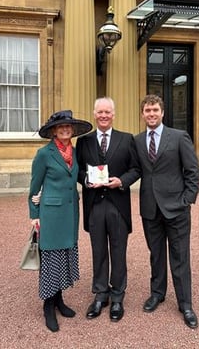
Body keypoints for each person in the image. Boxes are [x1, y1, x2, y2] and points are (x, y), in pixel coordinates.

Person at [134, 94, 199, 329]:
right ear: (142, 114)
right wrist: (117, 181)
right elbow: (135, 170)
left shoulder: (179, 137)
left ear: (162, 113)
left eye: (155, 110)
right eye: (147, 110)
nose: (151, 114)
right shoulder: (137, 140)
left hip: (177, 209)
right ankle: (157, 293)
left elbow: (192, 171)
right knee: (156, 255)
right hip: (150, 209)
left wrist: (187, 200)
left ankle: (186, 304)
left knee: (180, 256)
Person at [75, 97, 140, 322]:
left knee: (118, 251)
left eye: (107, 112)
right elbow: (78, 170)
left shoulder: (127, 139)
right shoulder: (84, 142)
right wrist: (86, 181)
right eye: (100, 112)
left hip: (118, 204)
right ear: (94, 114)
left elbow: (136, 169)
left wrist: (121, 181)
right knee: (99, 250)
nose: (104, 116)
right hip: (94, 203)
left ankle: (118, 297)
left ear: (114, 114)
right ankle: (100, 295)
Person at [27, 110, 93, 332]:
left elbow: (78, 176)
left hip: (70, 212)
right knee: (51, 259)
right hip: (51, 215)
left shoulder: (74, 153)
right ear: (54, 131)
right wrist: (34, 215)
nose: (65, 129)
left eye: (69, 127)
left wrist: (93, 180)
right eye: (61, 127)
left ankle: (59, 300)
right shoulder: (44, 154)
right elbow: (34, 187)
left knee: (64, 256)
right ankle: (48, 305)